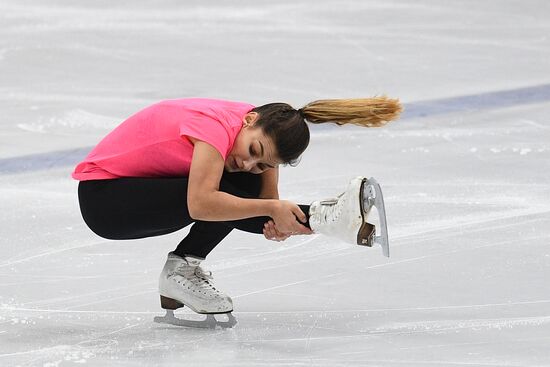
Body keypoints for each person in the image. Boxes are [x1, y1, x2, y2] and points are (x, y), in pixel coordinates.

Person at [72, 97, 401, 315]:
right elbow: (202, 205)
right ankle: (327, 216)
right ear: (249, 120)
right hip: (106, 202)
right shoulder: (214, 129)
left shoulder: (259, 134)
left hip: (143, 194)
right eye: (254, 150)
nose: (249, 162)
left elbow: (263, 203)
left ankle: (181, 271)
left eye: (263, 163)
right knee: (221, 190)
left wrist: (277, 219)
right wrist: (272, 211)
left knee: (240, 187)